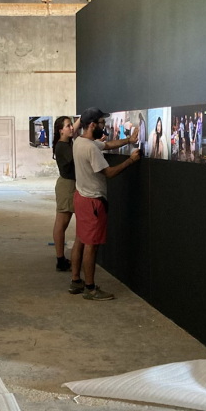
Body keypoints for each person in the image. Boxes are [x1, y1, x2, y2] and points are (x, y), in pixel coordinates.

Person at [70, 108, 140, 301]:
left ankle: (76, 281)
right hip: (93, 202)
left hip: (81, 197)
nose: (104, 126)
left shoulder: (79, 142)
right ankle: (90, 288)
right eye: (101, 123)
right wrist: (131, 161)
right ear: (92, 125)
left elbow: (107, 145)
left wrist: (128, 140)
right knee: (91, 246)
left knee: (80, 239)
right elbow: (108, 173)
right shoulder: (91, 148)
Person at [51, 116, 76, 272]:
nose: (72, 128)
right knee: (61, 223)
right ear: (61, 130)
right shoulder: (62, 146)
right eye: (68, 126)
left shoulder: (67, 142)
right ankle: (60, 259)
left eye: (71, 125)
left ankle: (61, 259)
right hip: (67, 186)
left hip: (70, 184)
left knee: (62, 223)